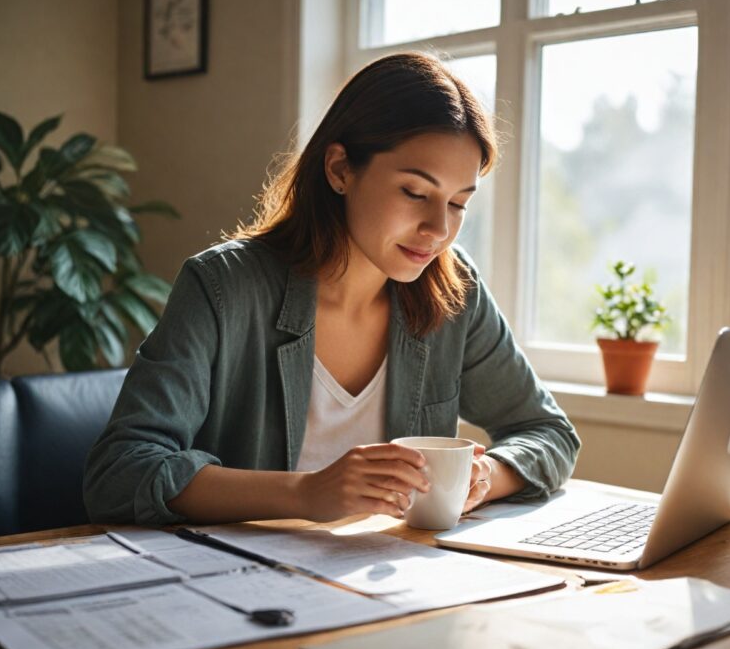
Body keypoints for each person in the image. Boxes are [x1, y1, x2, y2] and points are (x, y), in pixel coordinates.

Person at [83, 52, 580, 526]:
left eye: (457, 203)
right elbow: (119, 471)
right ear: (340, 168)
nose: (438, 229)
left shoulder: (454, 291)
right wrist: (306, 493)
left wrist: (485, 476)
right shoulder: (223, 287)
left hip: (386, 582)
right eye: (414, 192)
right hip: (237, 587)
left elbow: (548, 432)